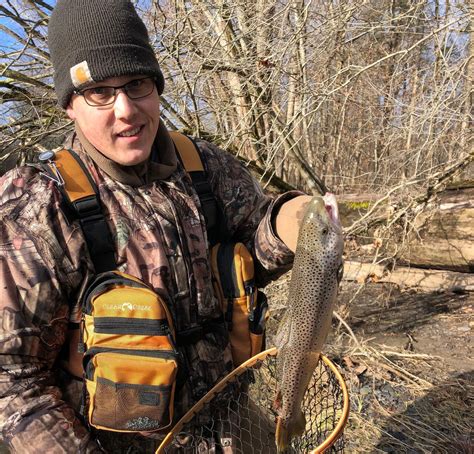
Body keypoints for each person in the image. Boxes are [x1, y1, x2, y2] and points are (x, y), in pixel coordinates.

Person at [0, 1, 311, 452]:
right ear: (70, 105)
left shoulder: (205, 165)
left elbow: (252, 247)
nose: (125, 110)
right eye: (99, 93)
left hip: (234, 426)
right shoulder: (34, 206)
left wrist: (290, 224)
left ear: (156, 87)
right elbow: (12, 380)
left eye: (137, 84)